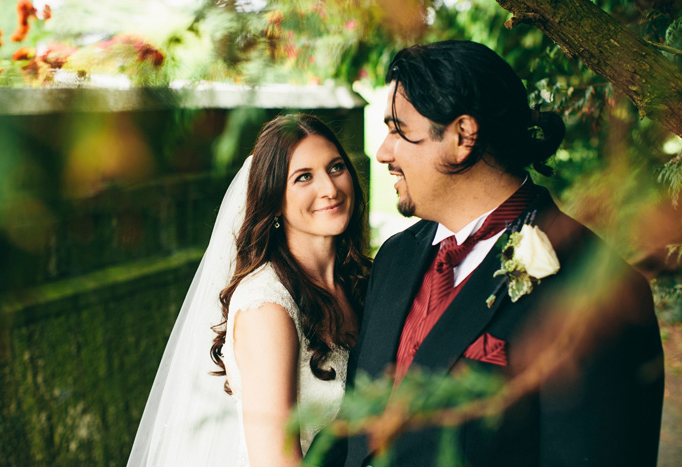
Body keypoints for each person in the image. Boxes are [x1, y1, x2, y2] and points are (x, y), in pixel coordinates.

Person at [308, 40, 664, 466]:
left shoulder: (600, 292)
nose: (383, 152)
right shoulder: (394, 257)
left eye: (398, 130)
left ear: (462, 137)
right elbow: (353, 432)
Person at [128, 113, 371, 467]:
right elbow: (275, 459)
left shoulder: (362, 281)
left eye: (335, 168)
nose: (330, 189)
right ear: (274, 201)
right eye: (303, 177)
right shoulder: (267, 307)